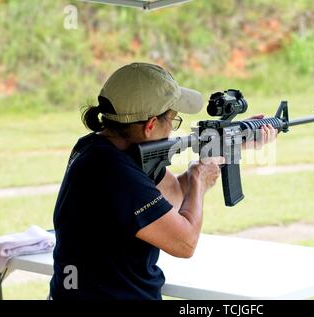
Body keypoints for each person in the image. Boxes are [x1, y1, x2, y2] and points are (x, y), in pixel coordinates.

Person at [49, 62, 277, 300]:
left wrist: (231, 146)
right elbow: (185, 244)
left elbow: (175, 193)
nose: (172, 130)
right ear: (150, 126)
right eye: (172, 120)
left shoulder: (95, 148)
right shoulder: (115, 171)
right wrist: (199, 179)